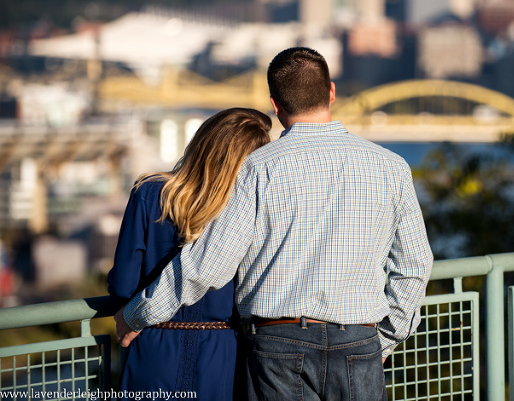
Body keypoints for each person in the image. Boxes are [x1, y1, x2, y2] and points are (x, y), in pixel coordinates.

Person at [116, 47, 433, 401]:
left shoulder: (259, 168)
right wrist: (385, 338)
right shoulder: (391, 167)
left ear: (275, 104)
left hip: (276, 344)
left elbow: (208, 266)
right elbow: (414, 267)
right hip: (359, 339)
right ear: (331, 91)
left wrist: (138, 314)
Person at [108, 107, 272, 400]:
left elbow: (123, 283)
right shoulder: (247, 209)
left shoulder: (149, 192)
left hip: (152, 339)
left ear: (202, 142)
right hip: (222, 349)